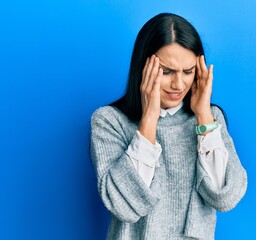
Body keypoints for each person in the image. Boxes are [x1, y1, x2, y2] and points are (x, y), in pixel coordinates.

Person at [90, 13, 247, 240]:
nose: (179, 84)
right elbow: (122, 206)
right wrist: (150, 118)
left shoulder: (210, 119)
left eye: (188, 71)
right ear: (144, 67)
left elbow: (226, 197)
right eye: (167, 71)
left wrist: (203, 115)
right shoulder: (109, 121)